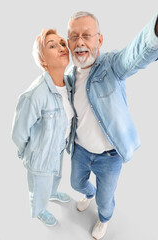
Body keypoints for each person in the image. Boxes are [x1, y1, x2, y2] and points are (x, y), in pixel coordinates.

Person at [66, 11, 158, 239]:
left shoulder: (113, 66)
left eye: (87, 35)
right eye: (74, 36)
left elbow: (136, 54)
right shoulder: (69, 75)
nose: (80, 42)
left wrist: (154, 31)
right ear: (68, 42)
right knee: (76, 183)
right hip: (79, 150)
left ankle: (104, 218)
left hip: (109, 158)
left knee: (104, 202)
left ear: (100, 39)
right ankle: (89, 194)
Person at [11, 29, 74, 226]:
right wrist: (30, 154)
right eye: (52, 46)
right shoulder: (35, 94)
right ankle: (39, 209)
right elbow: (18, 133)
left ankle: (53, 192)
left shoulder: (70, 83)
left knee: (56, 174)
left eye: (62, 43)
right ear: (42, 59)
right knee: (39, 186)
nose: (61, 48)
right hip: (40, 153)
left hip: (59, 145)